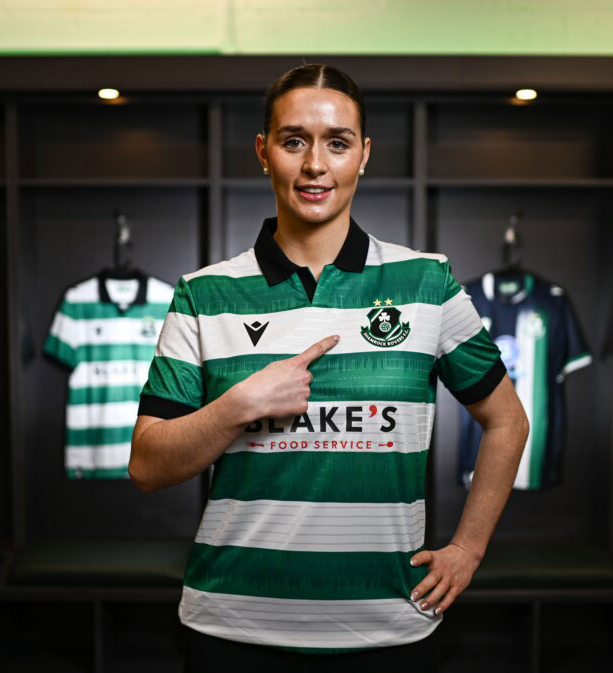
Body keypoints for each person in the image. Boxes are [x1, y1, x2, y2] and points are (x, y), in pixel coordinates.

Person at [129, 63, 529, 673]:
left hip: (388, 629)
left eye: (337, 143)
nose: (315, 164)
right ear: (263, 153)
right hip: (231, 627)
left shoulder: (426, 282)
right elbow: (148, 465)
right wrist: (240, 405)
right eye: (294, 141)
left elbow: (507, 421)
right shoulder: (203, 294)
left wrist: (468, 550)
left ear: (363, 155)